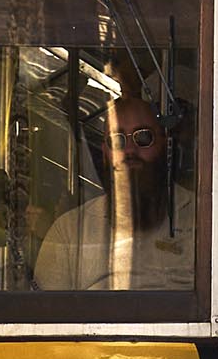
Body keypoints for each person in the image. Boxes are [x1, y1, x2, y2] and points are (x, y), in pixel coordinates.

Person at [34, 91, 195, 293]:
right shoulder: (68, 232)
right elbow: (49, 319)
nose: (129, 151)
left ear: (165, 144)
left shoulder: (203, 224)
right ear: (105, 152)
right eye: (117, 140)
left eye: (143, 137)